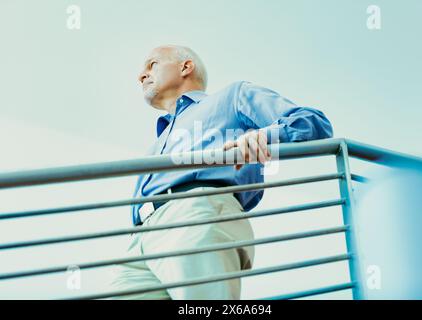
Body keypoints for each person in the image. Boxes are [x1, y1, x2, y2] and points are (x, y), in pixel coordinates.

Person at [109, 45, 333, 299]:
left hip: (195, 213)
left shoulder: (231, 97)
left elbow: (313, 122)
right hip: (139, 240)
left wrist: (265, 135)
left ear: (186, 67)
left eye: (152, 64)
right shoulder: (157, 142)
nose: (141, 75)